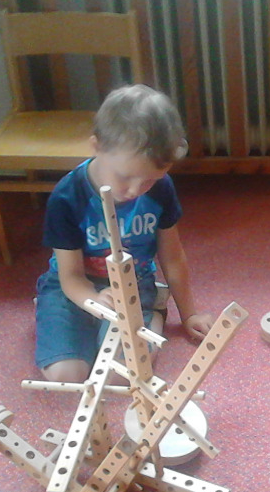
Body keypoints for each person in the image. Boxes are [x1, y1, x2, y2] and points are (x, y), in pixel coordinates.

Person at [35, 84, 214, 382]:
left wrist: (189, 314)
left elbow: (172, 257)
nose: (134, 190)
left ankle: (154, 308)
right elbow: (71, 276)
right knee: (66, 374)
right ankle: (52, 311)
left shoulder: (161, 189)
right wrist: (93, 302)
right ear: (96, 147)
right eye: (125, 176)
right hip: (73, 284)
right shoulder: (67, 197)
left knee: (121, 374)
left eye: (149, 180)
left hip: (133, 283)